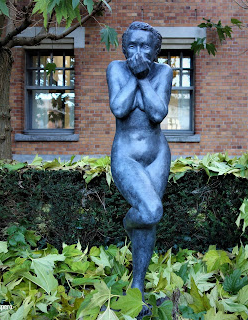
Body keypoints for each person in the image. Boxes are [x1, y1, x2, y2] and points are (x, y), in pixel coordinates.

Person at [106, 21, 173, 315]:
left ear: (155, 50)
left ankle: (137, 286)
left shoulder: (164, 72)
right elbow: (119, 109)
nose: (138, 51)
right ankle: (127, 221)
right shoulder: (116, 69)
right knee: (150, 211)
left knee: (150, 219)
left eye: (145, 46)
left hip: (157, 155)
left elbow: (158, 113)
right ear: (124, 47)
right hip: (127, 155)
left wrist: (144, 78)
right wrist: (134, 76)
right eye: (132, 45)